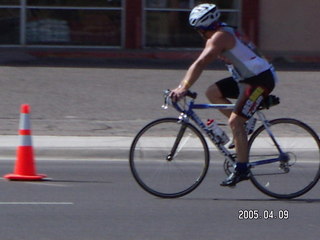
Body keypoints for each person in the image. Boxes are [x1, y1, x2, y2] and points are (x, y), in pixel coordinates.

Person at [170, 3, 278, 187]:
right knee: (212, 92)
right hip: (246, 79)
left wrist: (183, 87)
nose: (198, 33)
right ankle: (245, 122)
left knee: (235, 122)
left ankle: (242, 169)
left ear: (206, 27)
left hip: (260, 80)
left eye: (199, 29)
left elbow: (201, 62)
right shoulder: (225, 31)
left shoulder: (219, 38)